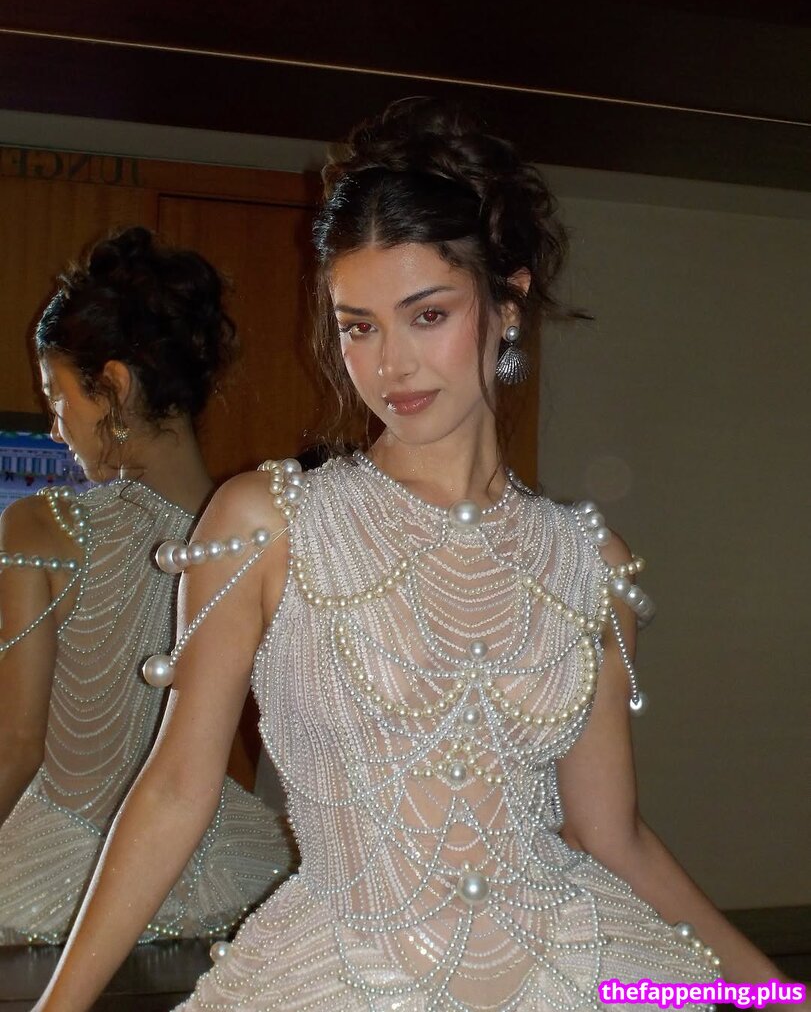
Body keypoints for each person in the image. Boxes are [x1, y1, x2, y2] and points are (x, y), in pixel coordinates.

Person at [34, 104, 799, 1010]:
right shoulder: (268, 521)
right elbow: (173, 790)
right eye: (358, 327)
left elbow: (610, 834)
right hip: (337, 978)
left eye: (427, 314)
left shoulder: (589, 559)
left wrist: (772, 992)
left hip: (571, 969)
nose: (391, 365)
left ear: (507, 303)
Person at [0, 227, 293, 945]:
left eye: (57, 396)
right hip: (217, 872)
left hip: (56, 884)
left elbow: (17, 743)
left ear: (114, 385)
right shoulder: (265, 539)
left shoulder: (41, 526)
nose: (55, 426)